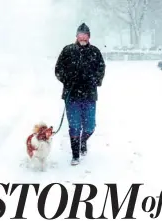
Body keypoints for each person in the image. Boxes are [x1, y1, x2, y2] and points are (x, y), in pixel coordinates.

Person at [54, 23, 106, 166]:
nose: (82, 38)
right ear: (76, 36)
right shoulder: (67, 50)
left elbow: (101, 68)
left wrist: (95, 80)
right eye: (80, 35)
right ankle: (75, 154)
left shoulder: (95, 52)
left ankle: (83, 141)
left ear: (89, 37)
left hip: (89, 95)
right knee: (75, 126)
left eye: (85, 35)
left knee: (90, 126)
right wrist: (67, 79)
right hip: (72, 96)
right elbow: (58, 69)